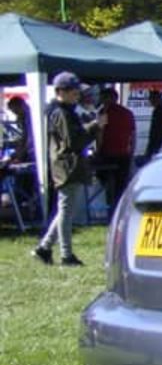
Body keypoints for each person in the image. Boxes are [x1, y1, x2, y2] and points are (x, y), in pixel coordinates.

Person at [33, 72, 105, 266]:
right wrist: (94, 126)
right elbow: (74, 142)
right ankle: (66, 255)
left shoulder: (64, 111)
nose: (76, 95)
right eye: (72, 91)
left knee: (65, 209)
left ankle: (44, 248)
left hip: (67, 165)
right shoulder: (61, 113)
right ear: (60, 92)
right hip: (66, 166)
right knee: (66, 211)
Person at [93, 87, 136, 214]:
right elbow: (133, 135)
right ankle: (120, 211)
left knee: (105, 184)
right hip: (124, 154)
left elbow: (100, 133)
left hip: (107, 153)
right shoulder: (128, 113)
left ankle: (109, 210)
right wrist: (131, 151)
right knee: (121, 186)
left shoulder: (102, 112)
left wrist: (97, 150)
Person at [142, 88, 162, 162]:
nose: (150, 101)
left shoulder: (159, 111)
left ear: (156, 99)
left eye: (151, 99)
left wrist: (149, 150)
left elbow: (155, 131)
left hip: (159, 143)